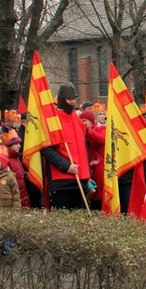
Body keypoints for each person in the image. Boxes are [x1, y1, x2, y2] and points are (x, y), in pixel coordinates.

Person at [39, 82, 91, 210]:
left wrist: (87, 174)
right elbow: (46, 148)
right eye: (69, 99)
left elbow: (83, 149)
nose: (72, 102)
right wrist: (66, 166)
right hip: (61, 180)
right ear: (62, 99)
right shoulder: (53, 119)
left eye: (74, 99)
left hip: (81, 178)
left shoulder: (77, 119)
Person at [0, 129, 31, 209]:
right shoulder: (5, 160)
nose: (19, 146)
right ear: (9, 146)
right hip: (14, 198)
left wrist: (25, 174)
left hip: (22, 195)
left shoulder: (16, 157)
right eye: (16, 144)